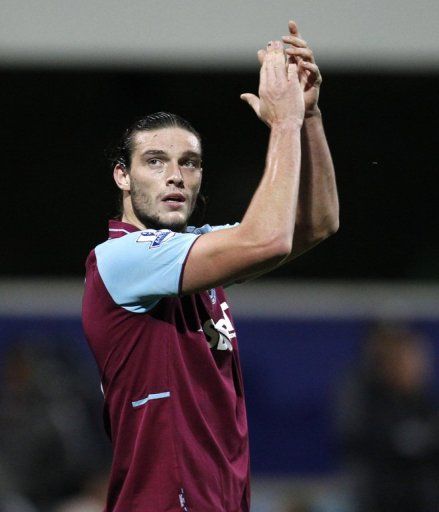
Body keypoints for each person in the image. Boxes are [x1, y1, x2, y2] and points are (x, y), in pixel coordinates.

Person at [82, 20, 338, 512]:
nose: (175, 176)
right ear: (122, 176)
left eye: (190, 163)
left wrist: (310, 118)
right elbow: (267, 239)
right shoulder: (122, 257)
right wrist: (283, 126)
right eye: (154, 161)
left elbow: (317, 225)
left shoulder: (193, 249)